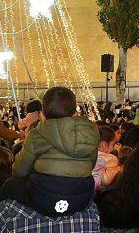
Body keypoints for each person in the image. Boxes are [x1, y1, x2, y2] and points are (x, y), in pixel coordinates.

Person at [6, 86, 100, 218]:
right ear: (74, 112)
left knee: (9, 185)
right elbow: (91, 164)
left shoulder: (37, 134)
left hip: (43, 197)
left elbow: (19, 170)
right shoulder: (91, 132)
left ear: (43, 112)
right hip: (81, 197)